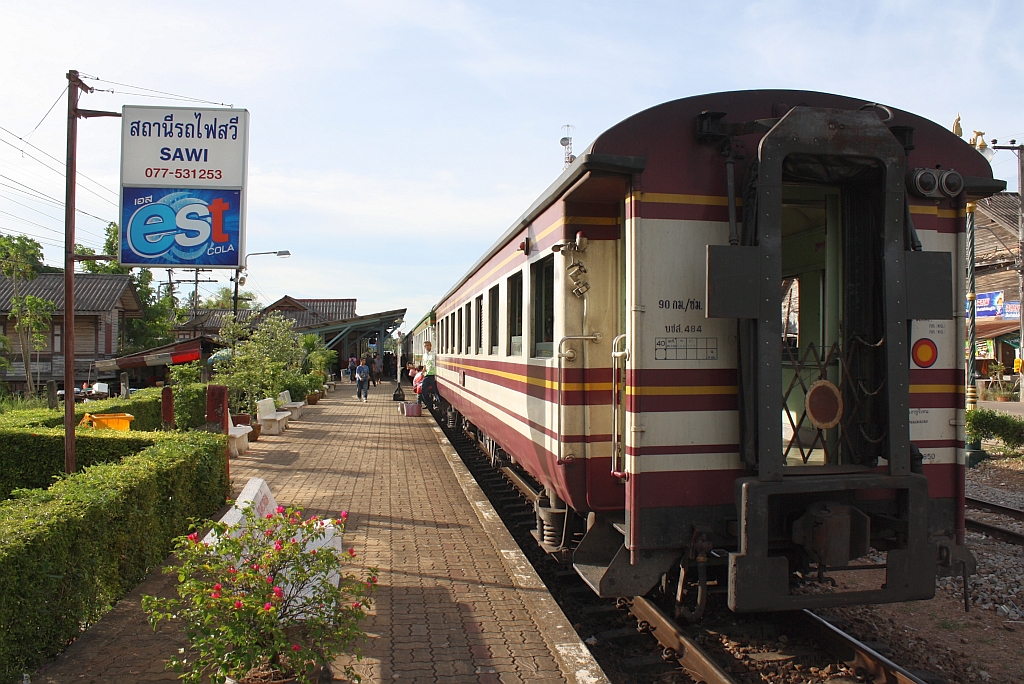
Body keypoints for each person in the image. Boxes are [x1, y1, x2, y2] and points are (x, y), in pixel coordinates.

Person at [420, 340, 437, 408]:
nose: (426, 347)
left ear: (430, 346)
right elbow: (425, 365)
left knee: (436, 391)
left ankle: (439, 402)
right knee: (423, 390)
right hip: (427, 374)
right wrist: (422, 372)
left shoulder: (434, 354)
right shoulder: (424, 355)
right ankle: (429, 404)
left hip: (433, 374)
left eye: (428, 345)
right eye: (425, 346)